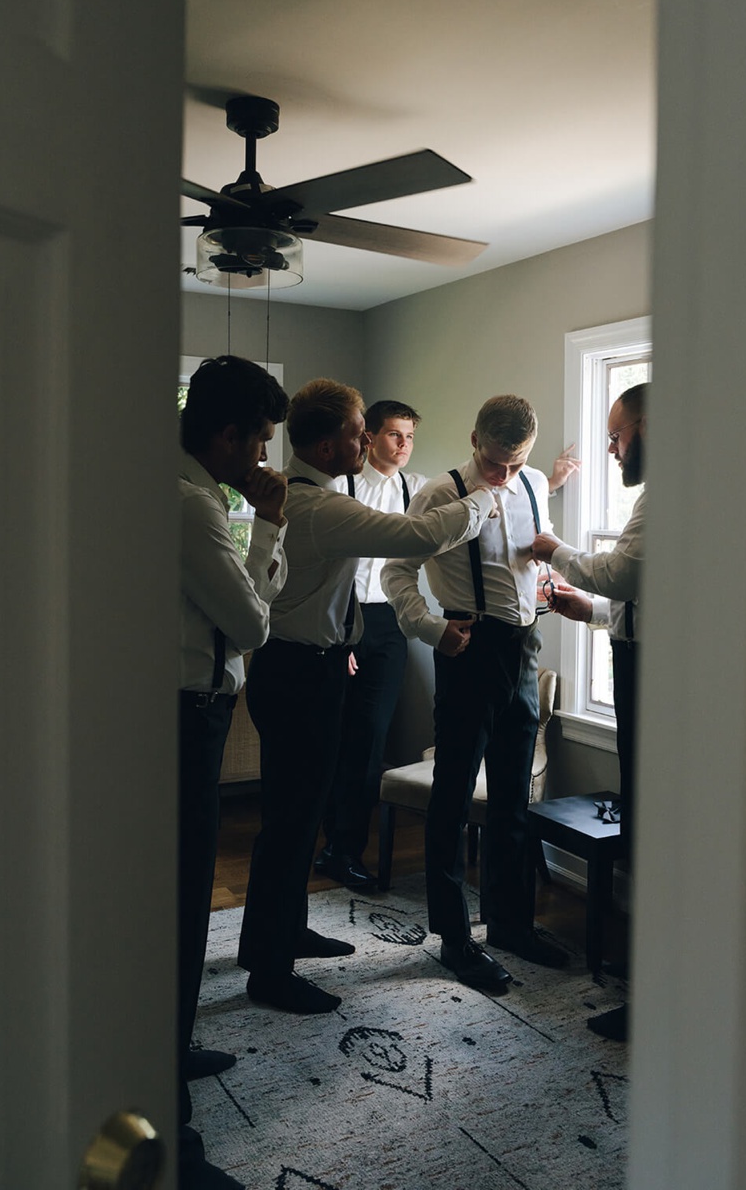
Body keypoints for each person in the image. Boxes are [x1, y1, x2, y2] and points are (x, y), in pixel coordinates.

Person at [239, 379, 499, 1015]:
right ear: (329, 447)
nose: (368, 441)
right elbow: (418, 537)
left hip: (297, 668)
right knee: (293, 819)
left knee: (292, 817)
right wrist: (487, 493)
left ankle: (276, 937)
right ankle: (270, 974)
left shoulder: (308, 498)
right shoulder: (321, 509)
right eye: (361, 432)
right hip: (302, 675)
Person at [384, 395, 571, 994]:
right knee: (454, 795)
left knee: (514, 799)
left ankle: (511, 924)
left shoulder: (535, 482)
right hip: (466, 651)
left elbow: (529, 557)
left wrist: (550, 582)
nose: (504, 476)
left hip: (524, 650)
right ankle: (454, 939)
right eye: (495, 464)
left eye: (515, 464)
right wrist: (432, 630)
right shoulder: (439, 495)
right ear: (473, 441)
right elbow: (396, 572)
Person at [177, 355, 290, 1190]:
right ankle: (170, 1135)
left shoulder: (194, 494)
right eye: (256, 440)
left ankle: (171, 1048)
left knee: (182, 889)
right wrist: (273, 526)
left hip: (192, 713)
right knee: (181, 899)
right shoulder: (190, 505)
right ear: (227, 434)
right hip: (184, 718)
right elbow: (251, 623)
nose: (261, 457)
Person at [532, 381, 647, 1040]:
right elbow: (649, 594)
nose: (611, 447)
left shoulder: (666, 495)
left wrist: (553, 549)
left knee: (654, 821)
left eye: (619, 434)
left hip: (653, 681)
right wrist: (594, 611)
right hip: (636, 665)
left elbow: (626, 572)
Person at [314, 399, 429, 890]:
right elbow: (331, 567)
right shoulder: (342, 485)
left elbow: (469, 508)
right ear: (370, 438)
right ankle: (325, 843)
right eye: (393, 435)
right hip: (344, 617)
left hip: (392, 622)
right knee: (332, 736)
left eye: (409, 436)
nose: (403, 445)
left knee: (370, 739)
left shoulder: (417, 488)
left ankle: (346, 850)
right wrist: (343, 634)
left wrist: (546, 485)